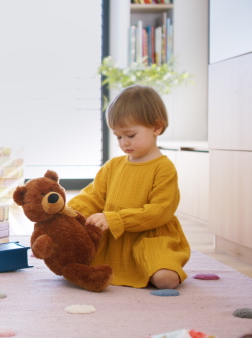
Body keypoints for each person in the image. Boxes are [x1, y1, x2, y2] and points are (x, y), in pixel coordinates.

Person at [68, 84, 190, 289]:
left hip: (151, 239)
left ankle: (152, 267)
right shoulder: (113, 166)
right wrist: (70, 213)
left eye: (130, 135)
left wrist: (115, 218)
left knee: (165, 280)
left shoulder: (164, 168)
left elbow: (159, 212)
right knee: (71, 263)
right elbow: (92, 196)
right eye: (118, 136)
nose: (124, 142)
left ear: (156, 128)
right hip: (114, 241)